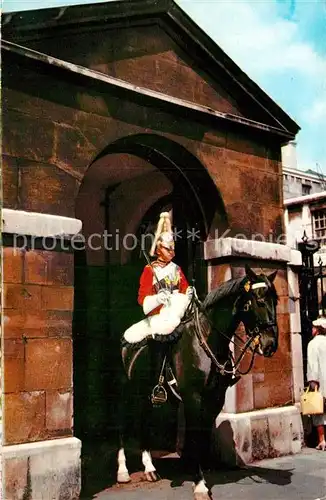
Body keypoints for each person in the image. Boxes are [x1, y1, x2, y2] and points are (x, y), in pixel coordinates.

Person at [123, 212, 194, 344]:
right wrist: (157, 299)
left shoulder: (177, 269)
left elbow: (184, 289)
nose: (172, 253)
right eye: (168, 249)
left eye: (173, 249)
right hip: (158, 317)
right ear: (158, 249)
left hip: (178, 314)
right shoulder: (150, 270)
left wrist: (189, 293)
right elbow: (142, 298)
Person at [307, 316, 326, 451]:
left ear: (317, 330)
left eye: (314, 327)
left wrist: (313, 383)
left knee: (318, 412)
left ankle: (322, 440)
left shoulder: (313, 344)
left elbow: (313, 365)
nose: (312, 329)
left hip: (321, 382)